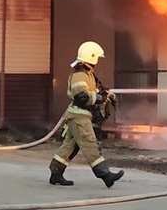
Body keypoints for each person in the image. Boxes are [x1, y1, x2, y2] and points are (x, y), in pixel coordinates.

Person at [48, 41, 124, 189]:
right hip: (79, 117)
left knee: (71, 146)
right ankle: (106, 175)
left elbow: (96, 91)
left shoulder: (87, 74)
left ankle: (56, 173)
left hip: (79, 115)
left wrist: (108, 96)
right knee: (90, 144)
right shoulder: (79, 75)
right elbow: (82, 96)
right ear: (92, 57)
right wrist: (100, 98)